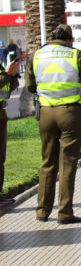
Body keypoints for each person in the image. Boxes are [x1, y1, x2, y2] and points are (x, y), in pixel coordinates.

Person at [26, 23, 81, 223]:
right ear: (69, 39)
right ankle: (64, 212)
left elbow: (30, 86)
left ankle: (42, 210)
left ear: (51, 38)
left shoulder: (36, 55)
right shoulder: (76, 55)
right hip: (70, 113)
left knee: (47, 162)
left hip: (45, 113)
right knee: (67, 163)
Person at [0, 57, 20, 207]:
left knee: (1, 157)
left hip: (1, 113)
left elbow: (8, 88)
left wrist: (12, 76)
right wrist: (7, 74)